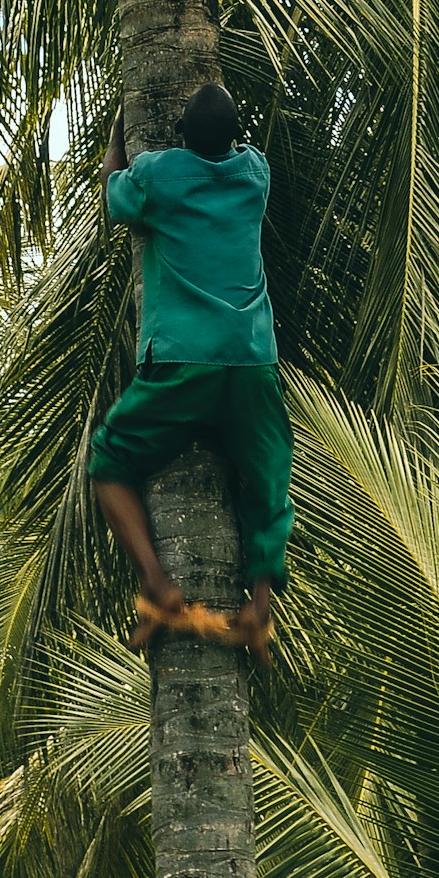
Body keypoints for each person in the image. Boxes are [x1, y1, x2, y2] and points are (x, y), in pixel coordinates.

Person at [89, 82, 293, 665]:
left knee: (110, 458)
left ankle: (157, 582)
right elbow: (235, 152)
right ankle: (258, 608)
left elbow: (114, 196)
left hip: (183, 361)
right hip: (251, 360)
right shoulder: (255, 174)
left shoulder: (158, 176)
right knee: (268, 478)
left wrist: (117, 139)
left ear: (181, 135)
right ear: (233, 138)